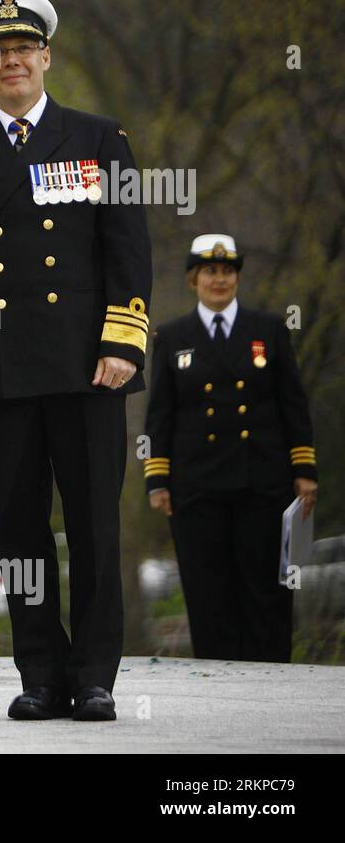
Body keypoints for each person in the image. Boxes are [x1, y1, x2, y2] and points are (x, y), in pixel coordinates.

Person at [0, 0, 152, 722]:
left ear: (46, 57)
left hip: (90, 366)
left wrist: (124, 342)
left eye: (23, 49)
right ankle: (39, 671)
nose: (12, 61)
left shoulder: (100, 139)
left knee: (95, 524)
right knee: (21, 529)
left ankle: (95, 674)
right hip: (3, 369)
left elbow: (127, 246)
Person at [144, 234, 318, 662]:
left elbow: (292, 403)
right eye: (209, 272)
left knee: (265, 586)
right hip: (196, 483)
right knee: (207, 589)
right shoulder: (171, 336)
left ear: (237, 278)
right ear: (193, 279)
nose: (218, 280)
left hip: (262, 477)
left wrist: (305, 469)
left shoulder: (270, 329)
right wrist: (158, 478)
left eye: (227, 272)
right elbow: (160, 414)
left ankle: (271, 675)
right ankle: (218, 681)